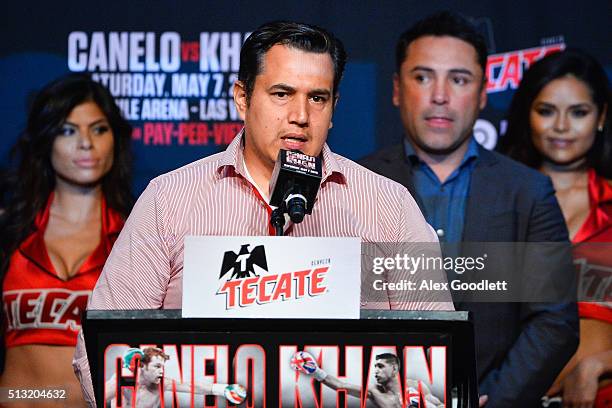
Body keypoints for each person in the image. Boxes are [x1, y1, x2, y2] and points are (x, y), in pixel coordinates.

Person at [73, 21, 453, 406]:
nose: (301, 115)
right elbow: (100, 354)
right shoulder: (169, 200)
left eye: (318, 98)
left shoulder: (389, 207)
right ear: (243, 97)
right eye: (282, 93)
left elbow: (435, 358)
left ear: (334, 107)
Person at [359, 11, 579, 407]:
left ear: (481, 94)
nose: (439, 95)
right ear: (396, 89)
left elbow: (554, 321)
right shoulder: (352, 183)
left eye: (458, 79)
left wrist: (489, 400)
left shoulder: (528, 191)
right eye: (423, 77)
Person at [0, 74, 133, 406]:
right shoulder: (9, 232)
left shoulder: (136, 235)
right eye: (68, 130)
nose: (86, 142)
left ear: (115, 139)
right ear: (46, 140)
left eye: (99, 129)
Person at [501, 49, 612, 408]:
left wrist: (598, 364)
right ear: (526, 117)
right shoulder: (499, 203)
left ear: (601, 117)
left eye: (578, 112)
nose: (562, 126)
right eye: (546, 111)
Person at [290, 351, 444, 407]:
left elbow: (441, 405)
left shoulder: (416, 386)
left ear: (395, 369)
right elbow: (340, 386)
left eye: (381, 366)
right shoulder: (375, 393)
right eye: (375, 367)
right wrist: (316, 371)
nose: (376, 371)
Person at [105, 347, 246, 407]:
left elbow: (190, 386)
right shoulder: (120, 382)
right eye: (157, 367)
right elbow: (96, 398)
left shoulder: (160, 383)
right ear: (141, 366)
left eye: (162, 367)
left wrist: (222, 389)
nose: (161, 371)